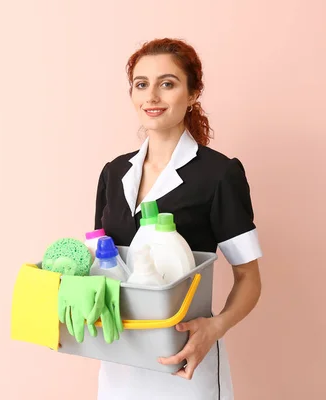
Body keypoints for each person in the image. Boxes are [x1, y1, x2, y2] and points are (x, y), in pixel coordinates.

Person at [93, 38, 263, 399]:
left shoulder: (219, 174)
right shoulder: (114, 172)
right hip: (118, 360)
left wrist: (214, 329)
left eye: (167, 83)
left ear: (192, 94)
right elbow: (100, 256)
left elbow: (249, 278)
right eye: (142, 84)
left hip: (186, 362)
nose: (151, 96)